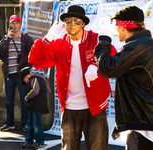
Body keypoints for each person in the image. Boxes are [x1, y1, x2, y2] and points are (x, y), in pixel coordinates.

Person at [28, 5, 117, 150]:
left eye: (76, 21)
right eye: (68, 20)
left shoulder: (95, 39)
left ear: (83, 23)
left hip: (94, 108)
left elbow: (112, 58)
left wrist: (96, 65)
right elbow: (35, 60)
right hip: (69, 108)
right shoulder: (59, 44)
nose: (72, 24)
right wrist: (47, 38)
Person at [94, 6, 153, 150]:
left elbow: (107, 68)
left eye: (116, 26)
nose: (115, 30)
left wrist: (104, 39)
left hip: (144, 126)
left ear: (123, 27)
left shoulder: (138, 46)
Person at [0, 15, 34, 131]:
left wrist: (28, 70)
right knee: (8, 100)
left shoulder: (26, 38)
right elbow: (0, 52)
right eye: (12, 23)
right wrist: (7, 38)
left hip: (21, 74)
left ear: (20, 24)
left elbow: (32, 55)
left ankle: (25, 124)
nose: (14, 25)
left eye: (16, 23)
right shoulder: (6, 38)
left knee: (24, 99)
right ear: (10, 25)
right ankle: (10, 123)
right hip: (9, 73)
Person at [19, 67, 51, 149]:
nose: (25, 83)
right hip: (34, 105)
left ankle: (39, 141)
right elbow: (48, 90)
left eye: (24, 81)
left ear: (27, 77)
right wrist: (42, 97)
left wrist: (27, 97)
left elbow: (35, 90)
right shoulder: (41, 80)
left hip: (36, 105)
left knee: (36, 124)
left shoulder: (34, 79)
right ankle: (29, 140)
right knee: (31, 123)